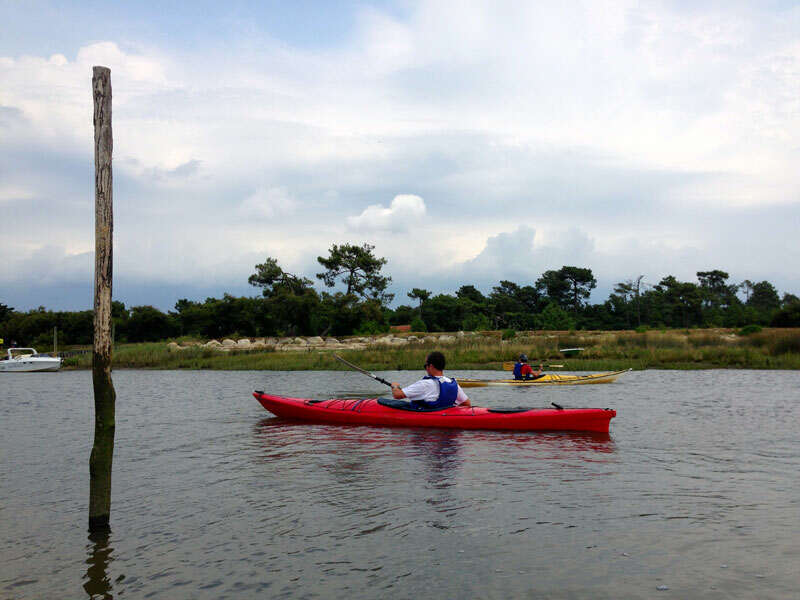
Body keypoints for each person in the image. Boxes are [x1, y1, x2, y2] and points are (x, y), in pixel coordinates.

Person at [391, 351, 471, 409]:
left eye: (426, 365)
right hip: (445, 417)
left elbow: (397, 395)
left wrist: (395, 386)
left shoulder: (425, 384)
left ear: (431, 366)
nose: (426, 368)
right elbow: (467, 403)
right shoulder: (452, 383)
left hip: (427, 420)